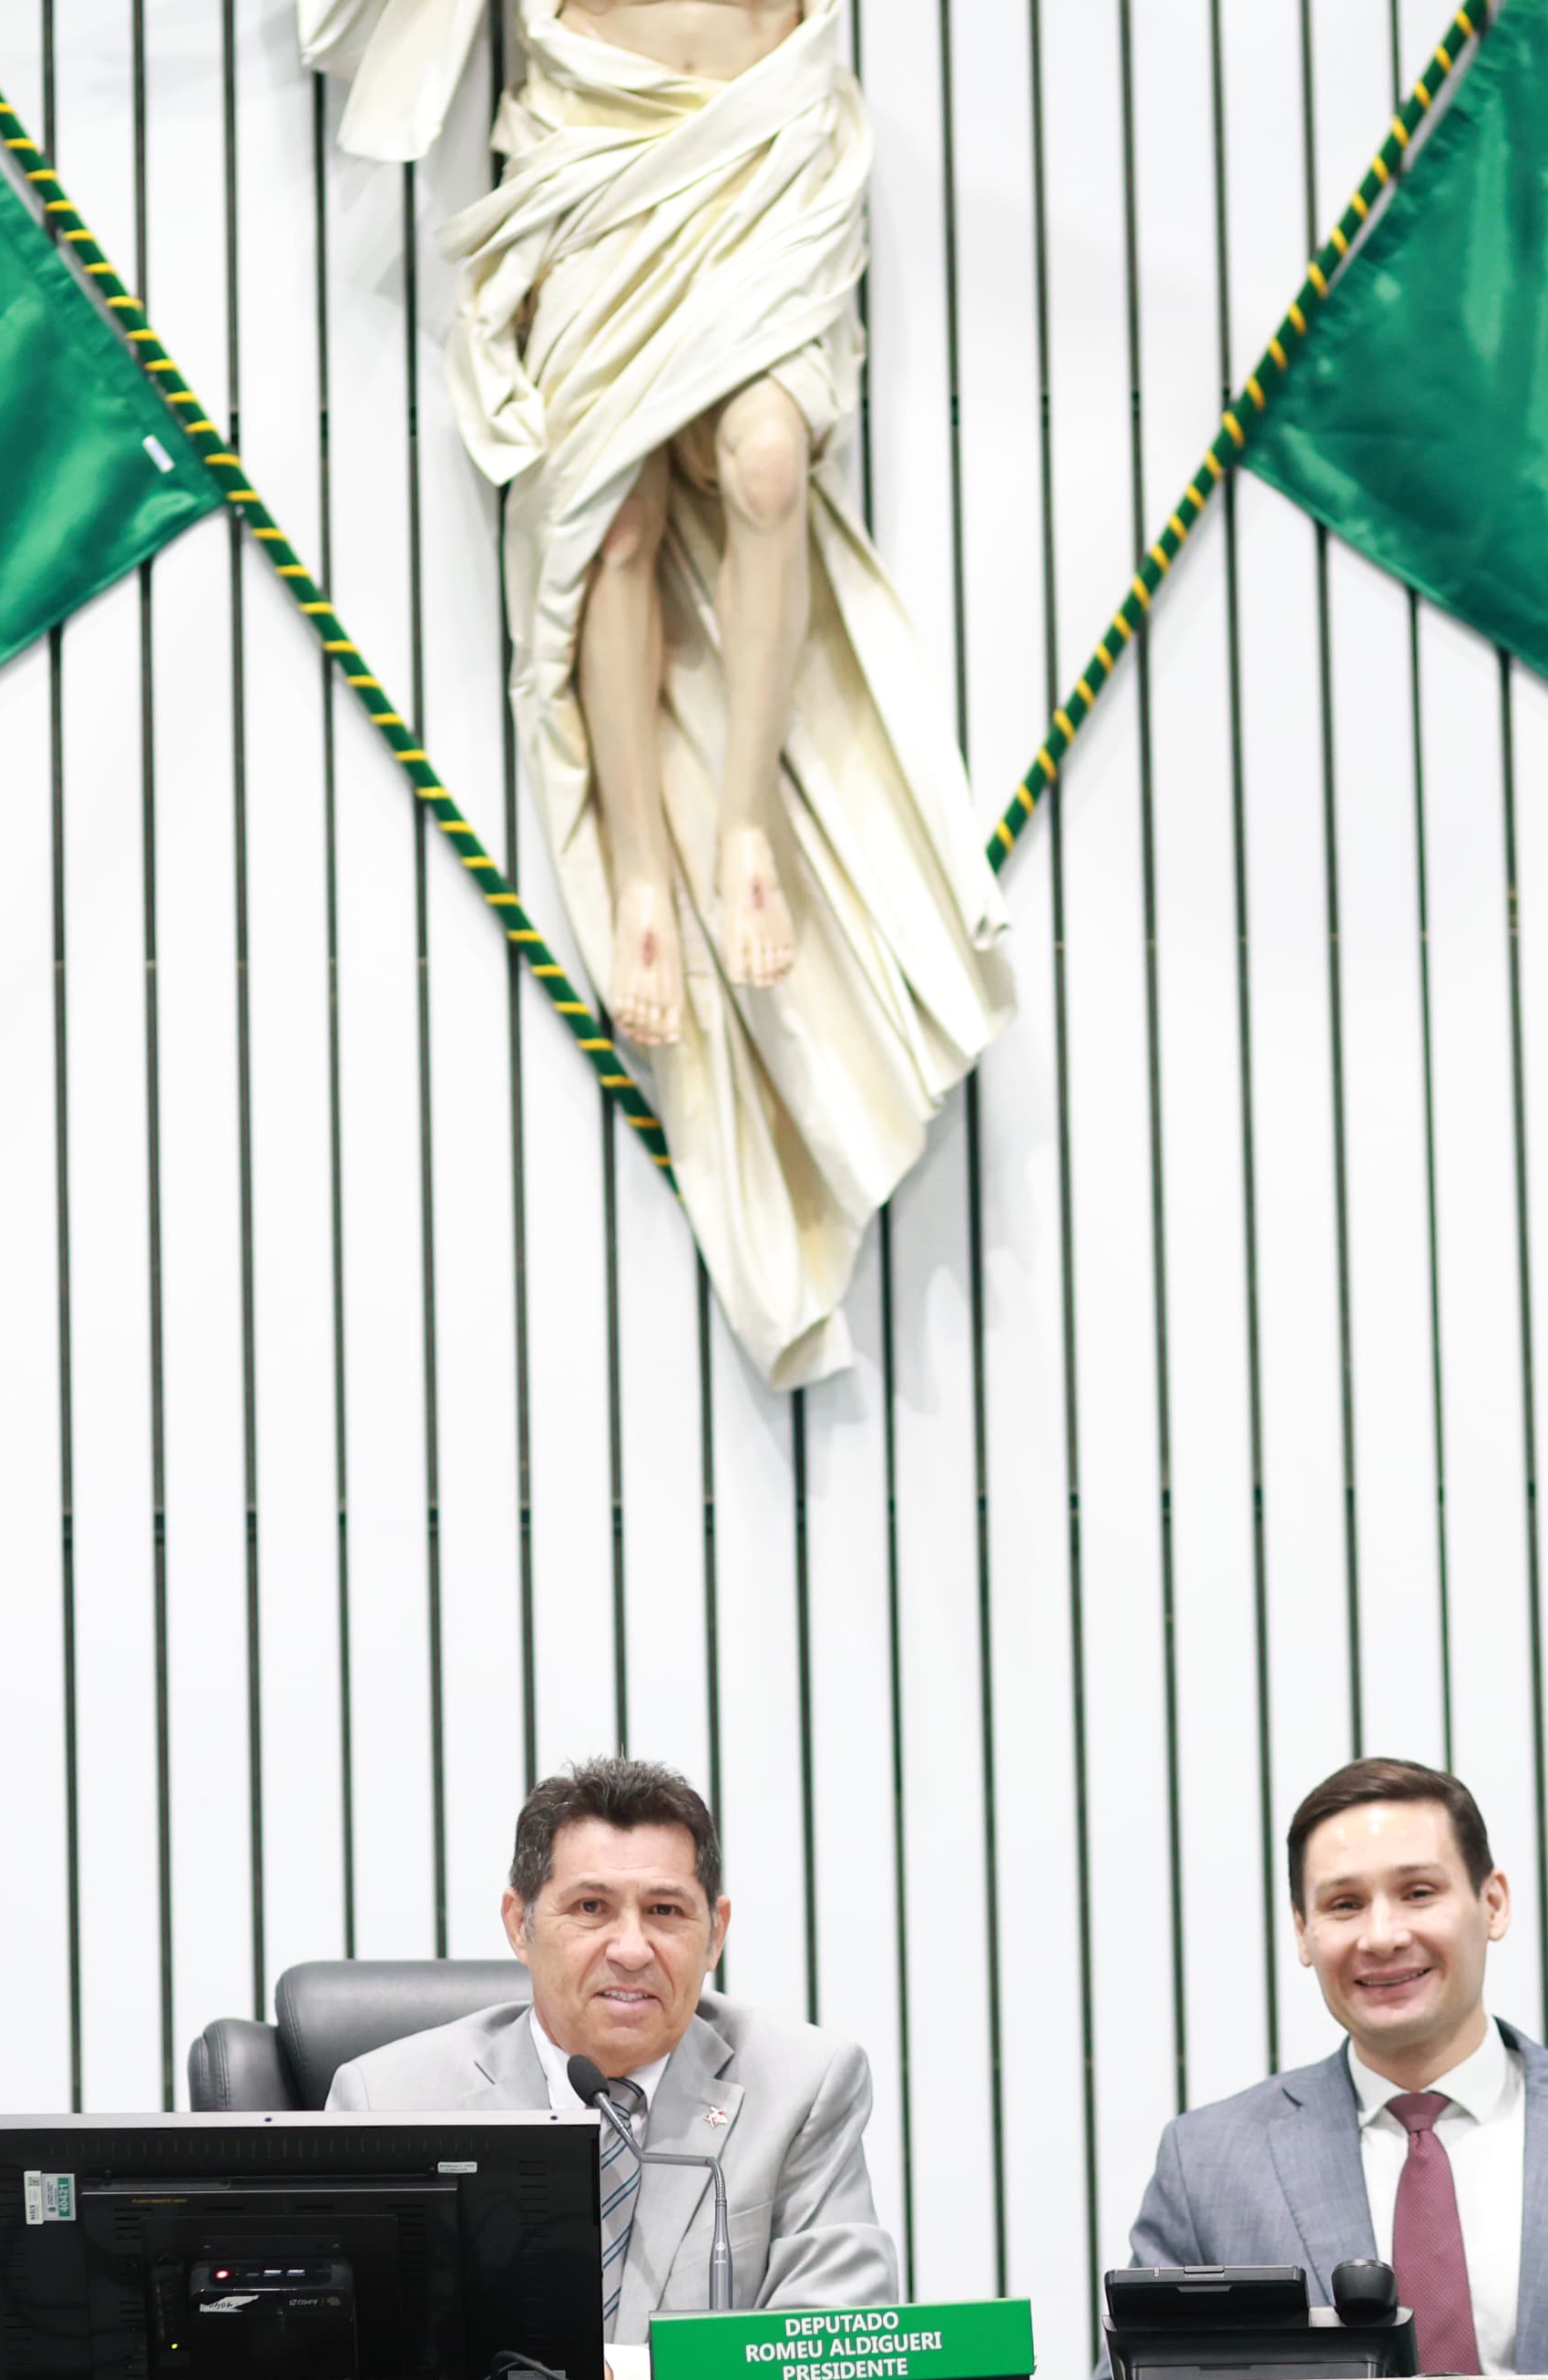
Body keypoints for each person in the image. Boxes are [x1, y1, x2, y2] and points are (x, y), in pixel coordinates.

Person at [300, 0, 1015, 1387]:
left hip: (763, 144)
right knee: (611, 528)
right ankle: (642, 870)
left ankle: (744, 826)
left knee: (766, 469)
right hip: (599, 139)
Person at [1126, 1758, 1548, 2372]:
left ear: (1493, 1903)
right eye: (1344, 1904)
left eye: (1418, 1892)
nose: (1382, 1935)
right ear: (1302, 1930)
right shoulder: (1207, 2167)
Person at [326, 1756, 899, 2342]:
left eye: (665, 1911)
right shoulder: (387, 2101)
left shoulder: (803, 2087)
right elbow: (338, 2361)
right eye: (591, 1908)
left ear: (715, 1934)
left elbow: (833, 2338)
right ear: (519, 1925)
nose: (631, 1949)